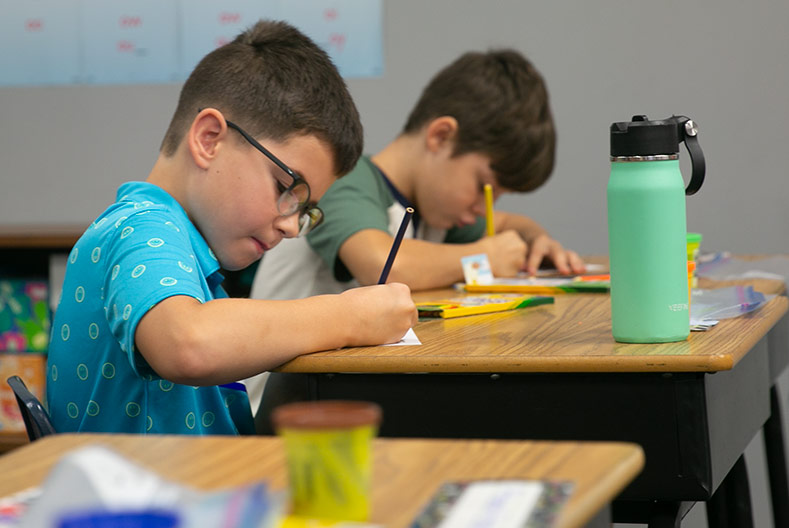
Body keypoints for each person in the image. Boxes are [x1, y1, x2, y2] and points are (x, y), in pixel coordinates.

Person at [46, 20, 417, 436]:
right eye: (285, 187)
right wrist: (349, 316)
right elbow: (187, 342)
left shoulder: (184, 245)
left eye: (306, 209)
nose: (293, 226)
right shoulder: (140, 227)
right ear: (209, 139)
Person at [246, 49, 585, 422]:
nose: (480, 210)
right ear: (441, 136)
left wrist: (536, 238)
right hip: (282, 404)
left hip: (350, 393)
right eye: (482, 187)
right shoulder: (345, 180)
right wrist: (485, 256)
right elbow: (380, 264)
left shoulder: (437, 213)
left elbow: (510, 225)